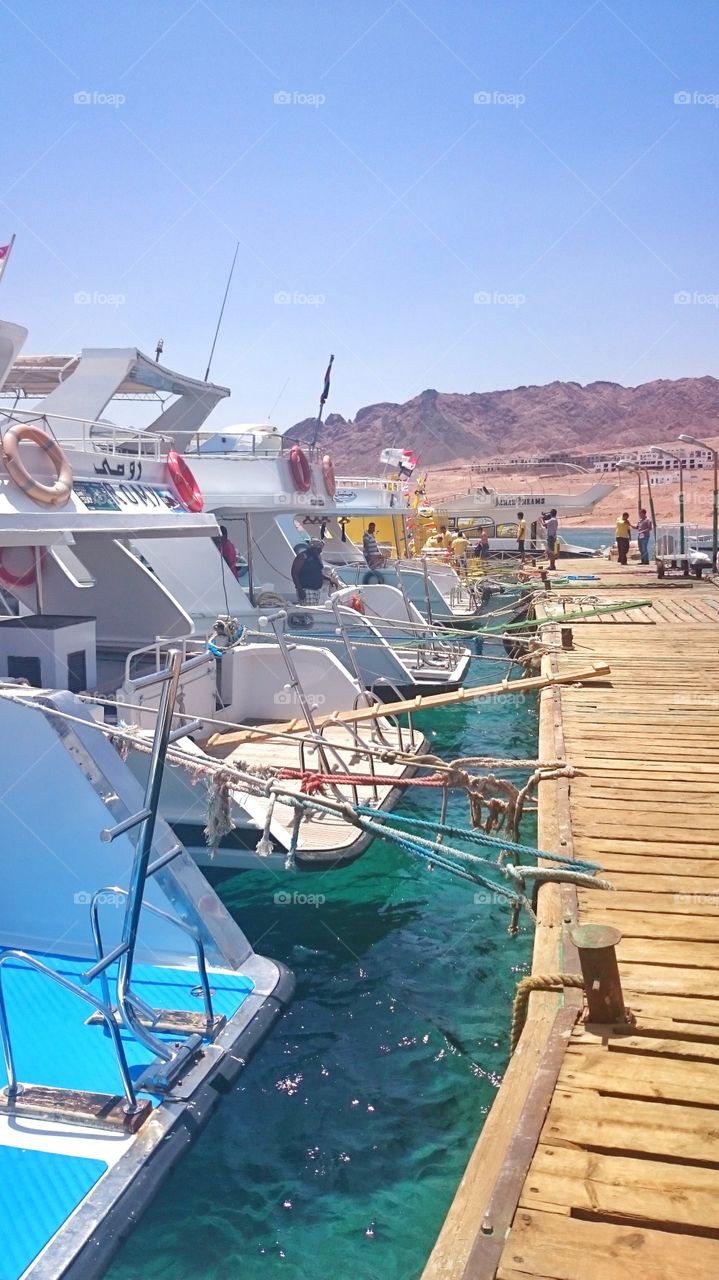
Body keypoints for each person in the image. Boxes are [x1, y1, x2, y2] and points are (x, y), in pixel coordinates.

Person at [291, 540, 339, 604]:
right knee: (310, 611)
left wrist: (330, 578)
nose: (320, 551)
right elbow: (294, 573)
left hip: (316, 590)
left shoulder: (317, 556)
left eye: (320, 549)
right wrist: (300, 590)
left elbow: (317, 572)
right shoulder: (302, 556)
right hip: (306, 590)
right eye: (318, 549)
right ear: (312, 548)